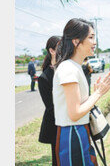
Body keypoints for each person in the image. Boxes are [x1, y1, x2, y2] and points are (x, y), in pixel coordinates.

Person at [53, 18, 110, 166]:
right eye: (91, 37)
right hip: (72, 133)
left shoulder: (75, 67)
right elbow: (74, 113)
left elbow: (79, 106)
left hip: (79, 130)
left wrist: (95, 93)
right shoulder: (68, 68)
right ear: (76, 41)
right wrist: (99, 93)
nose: (95, 43)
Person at [38, 35, 61, 166]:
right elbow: (51, 107)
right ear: (52, 51)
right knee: (58, 160)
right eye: (60, 47)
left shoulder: (66, 69)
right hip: (55, 126)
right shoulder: (44, 78)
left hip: (70, 122)